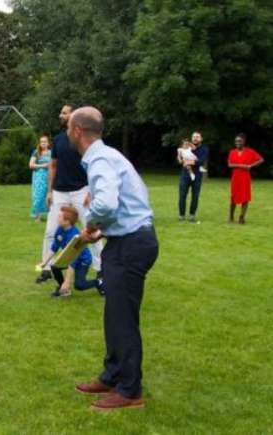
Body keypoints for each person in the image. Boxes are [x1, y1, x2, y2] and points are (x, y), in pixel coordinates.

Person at [68, 107, 159, 410]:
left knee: (123, 318)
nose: (67, 133)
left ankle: (130, 391)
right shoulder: (108, 156)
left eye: (68, 128)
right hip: (125, 241)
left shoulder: (100, 160)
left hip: (131, 244)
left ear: (77, 130)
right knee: (114, 314)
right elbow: (131, 196)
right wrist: (103, 228)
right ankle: (112, 375)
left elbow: (106, 205)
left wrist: (92, 225)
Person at [36, 105, 102, 284]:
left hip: (81, 191)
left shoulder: (84, 139)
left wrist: (91, 191)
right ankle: (46, 269)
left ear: (74, 116)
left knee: (90, 230)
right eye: (61, 112)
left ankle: (100, 269)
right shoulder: (58, 140)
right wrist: (49, 191)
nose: (61, 115)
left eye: (65, 112)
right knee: (50, 231)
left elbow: (94, 166)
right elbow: (53, 165)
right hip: (60, 192)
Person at [44, 205, 102, 297]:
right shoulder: (60, 229)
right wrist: (44, 262)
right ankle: (64, 290)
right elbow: (55, 247)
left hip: (82, 260)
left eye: (60, 216)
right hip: (70, 257)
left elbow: (73, 261)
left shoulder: (74, 236)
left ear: (67, 221)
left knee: (79, 285)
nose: (57, 217)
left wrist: (67, 282)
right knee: (55, 266)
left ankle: (99, 282)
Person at [227, 133, 264, 224]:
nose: (237, 143)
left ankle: (241, 218)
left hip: (245, 178)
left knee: (245, 197)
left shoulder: (250, 152)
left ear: (244, 141)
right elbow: (230, 165)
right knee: (233, 197)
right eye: (236, 141)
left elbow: (261, 160)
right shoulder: (232, 152)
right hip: (235, 178)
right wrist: (243, 166)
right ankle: (231, 217)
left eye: (239, 141)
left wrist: (251, 165)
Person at [178, 131, 209, 222]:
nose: (195, 138)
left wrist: (188, 162)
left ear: (201, 139)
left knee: (195, 196)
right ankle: (181, 215)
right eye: (194, 137)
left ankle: (192, 215)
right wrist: (181, 160)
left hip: (197, 175)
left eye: (197, 137)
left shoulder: (204, 149)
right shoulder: (186, 146)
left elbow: (201, 161)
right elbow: (180, 158)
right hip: (185, 174)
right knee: (182, 195)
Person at [29, 135, 52, 221]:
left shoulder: (52, 152)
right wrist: (43, 165)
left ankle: (50, 216)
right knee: (38, 195)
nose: (43, 143)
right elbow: (31, 165)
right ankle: (37, 216)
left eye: (45, 142)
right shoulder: (36, 152)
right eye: (41, 142)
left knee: (49, 195)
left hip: (49, 176)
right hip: (39, 176)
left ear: (48, 143)